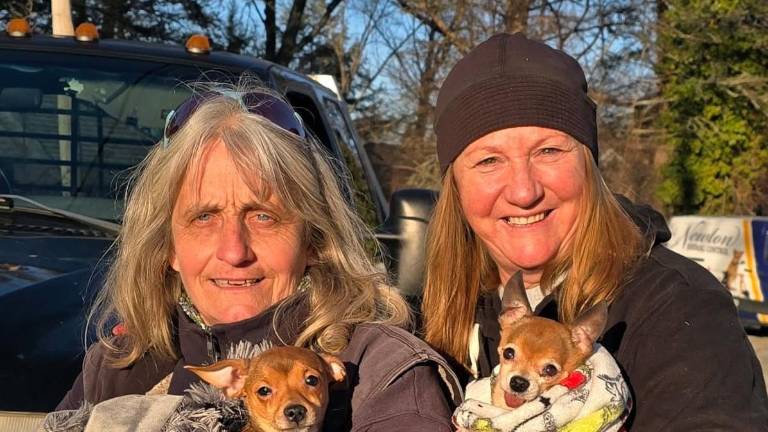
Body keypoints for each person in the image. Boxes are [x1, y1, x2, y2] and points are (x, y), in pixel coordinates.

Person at [54, 82, 459, 430]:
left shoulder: (381, 371)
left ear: (315, 240)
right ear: (168, 248)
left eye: (264, 216)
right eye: (204, 216)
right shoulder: (119, 366)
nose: (234, 251)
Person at [422, 33, 768, 430]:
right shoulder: (431, 314)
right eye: (488, 160)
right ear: (455, 188)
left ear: (589, 165)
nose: (523, 191)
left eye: (548, 151)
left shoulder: (681, 310)